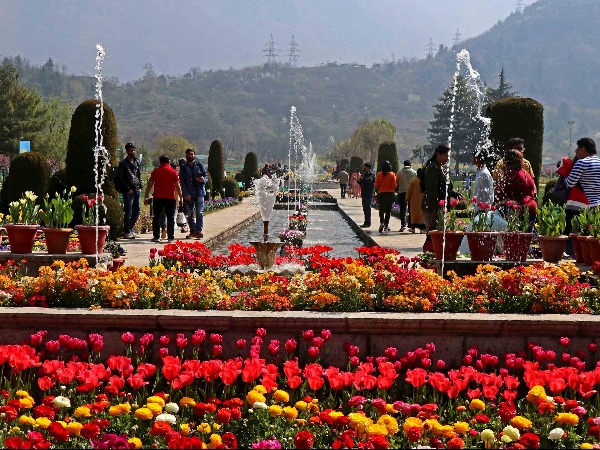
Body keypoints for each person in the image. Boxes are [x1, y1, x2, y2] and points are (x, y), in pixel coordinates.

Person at [143, 155, 183, 243]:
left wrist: (146, 196)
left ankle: (156, 236)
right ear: (168, 162)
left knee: (156, 217)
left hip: (158, 197)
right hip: (170, 197)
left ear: (160, 162)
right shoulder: (173, 172)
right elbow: (177, 186)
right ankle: (170, 237)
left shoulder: (155, 171)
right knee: (170, 217)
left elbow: (150, 185)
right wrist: (180, 196)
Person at [495, 149, 537, 229]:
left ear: (507, 161)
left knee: (517, 237)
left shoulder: (511, 175)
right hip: (531, 208)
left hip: (520, 211)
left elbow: (501, 194)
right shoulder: (525, 173)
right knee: (528, 236)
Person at [556, 156, 588, 256]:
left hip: (571, 205)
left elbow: (557, 190)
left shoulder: (569, 171)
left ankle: (572, 255)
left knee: (570, 233)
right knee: (580, 234)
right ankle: (576, 256)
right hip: (584, 206)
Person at [421, 144, 453, 234]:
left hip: (439, 206)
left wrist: (455, 194)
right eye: (445, 156)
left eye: (448, 156)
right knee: (433, 234)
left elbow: (444, 187)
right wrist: (435, 210)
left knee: (438, 234)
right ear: (438, 155)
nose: (447, 158)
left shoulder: (441, 168)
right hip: (431, 207)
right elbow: (432, 190)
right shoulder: (432, 168)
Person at [180, 148, 208, 239]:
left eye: (192, 154)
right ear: (186, 156)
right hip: (189, 194)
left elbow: (206, 176)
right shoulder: (183, 168)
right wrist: (185, 194)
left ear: (194, 155)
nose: (190, 156)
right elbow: (182, 182)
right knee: (189, 213)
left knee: (199, 213)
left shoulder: (200, 165)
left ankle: (199, 230)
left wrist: (203, 180)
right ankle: (193, 230)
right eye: (189, 154)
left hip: (199, 193)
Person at [565, 137, 600, 208]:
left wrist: (564, 176)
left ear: (583, 149)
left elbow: (569, 184)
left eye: (578, 149)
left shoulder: (582, 163)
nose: (576, 151)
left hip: (586, 205)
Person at [117, 143, 143, 239]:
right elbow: (120, 178)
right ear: (127, 151)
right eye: (131, 150)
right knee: (129, 211)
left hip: (137, 189)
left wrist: (140, 186)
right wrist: (127, 189)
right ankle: (127, 231)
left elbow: (138, 175)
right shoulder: (123, 164)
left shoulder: (136, 162)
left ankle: (130, 229)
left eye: (134, 150)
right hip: (128, 191)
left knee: (137, 211)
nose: (133, 152)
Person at [374, 160, 397, 233]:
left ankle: (381, 223)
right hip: (390, 194)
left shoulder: (379, 174)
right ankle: (386, 225)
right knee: (388, 210)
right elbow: (394, 185)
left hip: (381, 193)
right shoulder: (392, 174)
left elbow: (376, 185)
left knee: (381, 209)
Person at [396, 160, 417, 232]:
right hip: (412, 193)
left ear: (404, 165)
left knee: (403, 209)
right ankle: (411, 225)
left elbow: (396, 182)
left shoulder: (400, 172)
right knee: (411, 209)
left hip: (402, 192)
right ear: (410, 165)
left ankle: (403, 225)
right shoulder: (414, 172)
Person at [405, 168, 425, 233]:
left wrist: (407, 198)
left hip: (414, 200)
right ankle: (422, 229)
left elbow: (409, 191)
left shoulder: (414, 180)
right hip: (422, 200)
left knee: (413, 214)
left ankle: (413, 228)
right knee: (421, 214)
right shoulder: (424, 180)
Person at [357, 163, 375, 228]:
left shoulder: (371, 175)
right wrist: (359, 181)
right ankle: (366, 222)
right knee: (365, 208)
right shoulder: (365, 175)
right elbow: (364, 183)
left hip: (368, 194)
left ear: (368, 168)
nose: (363, 168)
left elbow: (369, 181)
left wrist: (363, 180)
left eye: (364, 167)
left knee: (367, 208)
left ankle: (368, 223)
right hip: (364, 193)